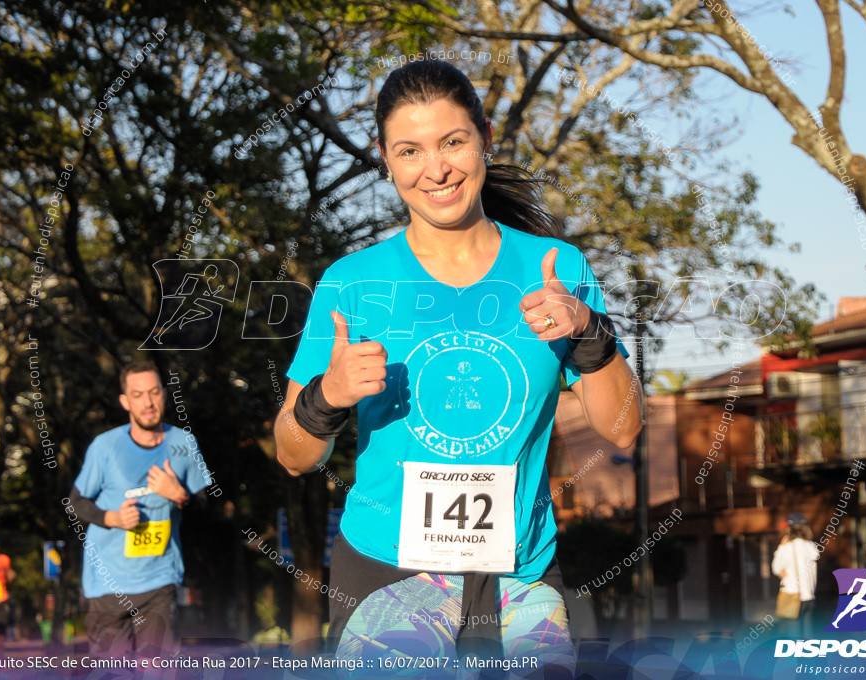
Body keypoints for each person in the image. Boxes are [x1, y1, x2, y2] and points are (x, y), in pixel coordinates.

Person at [275, 59, 643, 675]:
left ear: (484, 140)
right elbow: (291, 454)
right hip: (388, 570)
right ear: (386, 160)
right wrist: (327, 395)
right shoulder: (351, 283)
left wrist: (589, 334)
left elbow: (624, 428)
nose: (436, 169)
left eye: (452, 142)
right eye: (410, 150)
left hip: (519, 573)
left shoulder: (557, 267)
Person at [67, 359, 210, 659]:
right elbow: (75, 503)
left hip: (160, 580)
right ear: (125, 401)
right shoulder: (104, 447)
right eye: (138, 394)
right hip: (107, 586)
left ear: (164, 395)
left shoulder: (184, 443)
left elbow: (207, 509)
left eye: (154, 392)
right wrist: (113, 518)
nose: (148, 402)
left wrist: (179, 495)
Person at [772, 512, 818, 637]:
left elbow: (776, 568)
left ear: (790, 528)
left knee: (794, 639)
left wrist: (781, 547)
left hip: (793, 596)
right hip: (809, 597)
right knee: (808, 638)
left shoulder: (787, 547)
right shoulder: (811, 546)